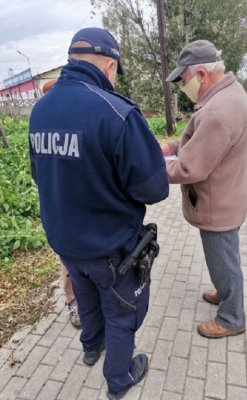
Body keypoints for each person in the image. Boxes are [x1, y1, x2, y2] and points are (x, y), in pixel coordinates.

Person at [29, 27, 169, 399]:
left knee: (87, 299)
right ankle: (119, 379)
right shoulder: (117, 113)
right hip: (111, 247)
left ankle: (91, 347)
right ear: (110, 66)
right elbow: (154, 188)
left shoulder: (39, 110)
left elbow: (38, 174)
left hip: (66, 241)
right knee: (122, 313)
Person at [161, 40, 247, 339]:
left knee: (223, 259)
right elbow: (200, 143)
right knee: (224, 257)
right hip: (228, 194)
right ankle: (225, 291)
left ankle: (231, 317)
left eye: (183, 79)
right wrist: (171, 147)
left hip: (218, 203)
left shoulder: (217, 111)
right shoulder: (229, 93)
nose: (181, 86)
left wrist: (151, 169)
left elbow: (190, 168)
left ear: (201, 74)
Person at [41, 79, 81, 329]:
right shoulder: (43, 127)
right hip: (62, 209)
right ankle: (72, 301)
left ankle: (84, 299)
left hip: (76, 208)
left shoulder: (74, 125)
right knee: (67, 261)